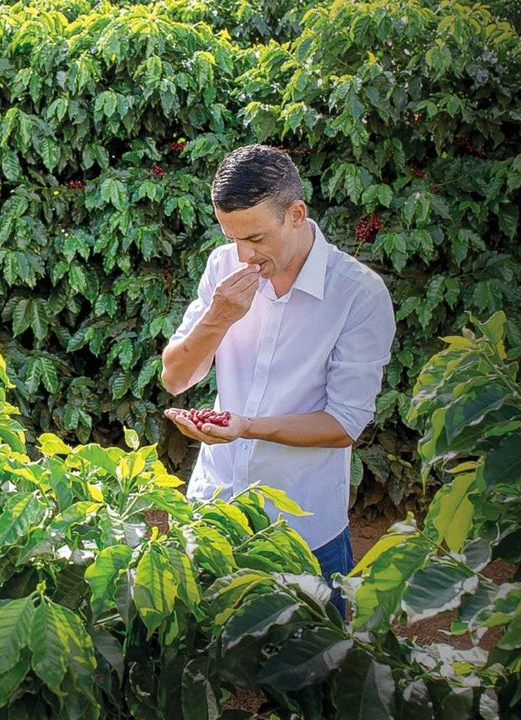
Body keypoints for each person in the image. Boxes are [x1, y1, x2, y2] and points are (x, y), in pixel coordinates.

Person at [161, 144, 396, 617]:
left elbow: (344, 424)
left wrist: (247, 426)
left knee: (313, 674)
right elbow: (175, 378)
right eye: (232, 238)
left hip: (303, 528)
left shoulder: (358, 294)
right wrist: (217, 317)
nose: (245, 255)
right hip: (214, 509)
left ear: (296, 213)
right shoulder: (222, 266)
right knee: (205, 659)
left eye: (256, 238)